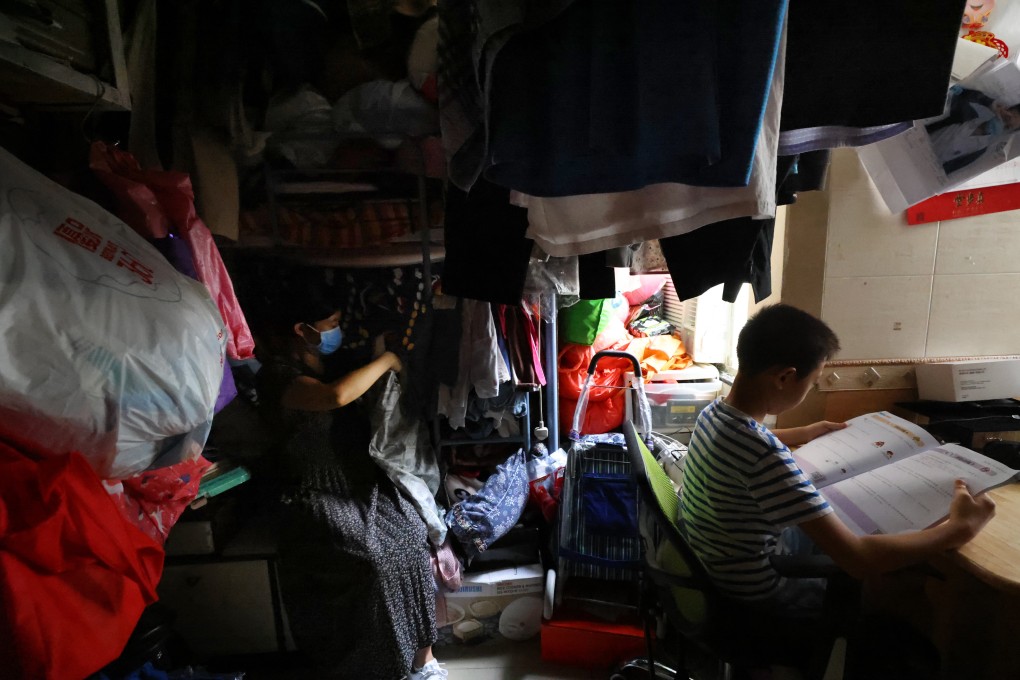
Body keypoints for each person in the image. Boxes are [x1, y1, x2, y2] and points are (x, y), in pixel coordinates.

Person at [679, 303, 996, 611]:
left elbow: (746, 445)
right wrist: (959, 529)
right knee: (896, 583)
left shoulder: (714, 414)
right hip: (763, 596)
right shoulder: (766, 458)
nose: (811, 389)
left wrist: (804, 432)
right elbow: (857, 559)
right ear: (785, 378)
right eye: (813, 382)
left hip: (719, 573)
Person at [254, 293, 446, 680]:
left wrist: (378, 354)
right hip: (314, 491)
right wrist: (388, 360)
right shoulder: (276, 377)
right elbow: (334, 396)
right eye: (330, 324)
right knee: (373, 560)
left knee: (412, 537)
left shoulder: (333, 364)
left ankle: (422, 660)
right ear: (302, 330)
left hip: (360, 483)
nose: (336, 332)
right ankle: (385, 666)